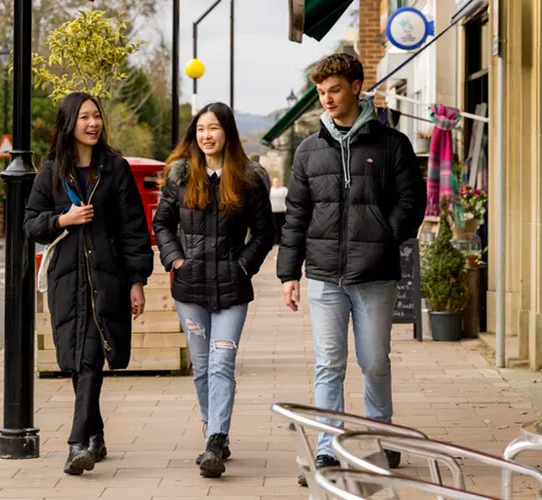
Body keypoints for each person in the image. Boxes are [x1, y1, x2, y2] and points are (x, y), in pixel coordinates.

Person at [276, 53, 426, 485]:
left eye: (334, 90)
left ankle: (382, 435)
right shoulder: (309, 150)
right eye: (321, 92)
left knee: (374, 361)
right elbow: (296, 215)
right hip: (324, 275)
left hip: (375, 274)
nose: (327, 99)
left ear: (356, 87)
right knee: (329, 364)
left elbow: (412, 201)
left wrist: (385, 235)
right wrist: (289, 274)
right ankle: (328, 448)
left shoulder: (392, 144)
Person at [24, 92, 154, 476]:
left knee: (92, 356)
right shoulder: (51, 170)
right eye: (84, 117)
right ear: (69, 123)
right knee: (76, 359)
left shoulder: (115, 169)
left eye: (96, 116)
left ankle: (77, 443)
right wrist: (62, 220)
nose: (93, 123)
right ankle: (95, 435)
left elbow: (133, 229)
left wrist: (137, 281)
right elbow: (31, 222)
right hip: (66, 279)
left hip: (107, 277)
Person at [152, 102, 275, 479]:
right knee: (202, 366)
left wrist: (242, 266)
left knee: (221, 364)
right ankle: (213, 430)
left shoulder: (248, 179)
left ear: (227, 133)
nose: (207, 135)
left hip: (232, 289)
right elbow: (162, 224)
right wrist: (175, 260)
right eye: (201, 129)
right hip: (189, 289)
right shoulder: (179, 176)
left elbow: (265, 232)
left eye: (214, 128)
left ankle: (216, 440)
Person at [268, 177, 288, 245]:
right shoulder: (270, 190)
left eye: (277, 181)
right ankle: (274, 241)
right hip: (272, 211)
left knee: (281, 227)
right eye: (275, 182)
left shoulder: (284, 190)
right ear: (272, 183)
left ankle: (281, 240)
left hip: (282, 211)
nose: (276, 183)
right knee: (274, 227)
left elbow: (288, 199)